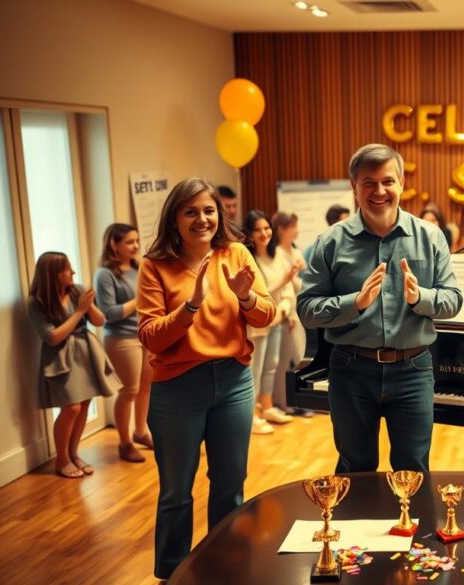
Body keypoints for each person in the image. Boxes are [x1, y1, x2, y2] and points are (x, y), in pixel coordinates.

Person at [138, 178, 275, 579]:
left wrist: (246, 297)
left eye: (209, 210)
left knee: (230, 484)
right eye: (191, 211)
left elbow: (265, 316)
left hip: (233, 382)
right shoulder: (155, 265)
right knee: (176, 492)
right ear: (175, 218)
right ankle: (171, 573)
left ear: (220, 214)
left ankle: (225, 567)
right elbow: (151, 337)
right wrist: (191, 305)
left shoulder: (236, 254)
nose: (202, 219)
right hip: (178, 387)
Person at [297, 144, 462, 473]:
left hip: (413, 371)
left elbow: (453, 299)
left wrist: (421, 298)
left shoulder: (430, 237)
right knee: (355, 469)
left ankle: (410, 527)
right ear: (353, 186)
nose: (379, 191)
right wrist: (354, 303)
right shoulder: (330, 243)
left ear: (401, 182)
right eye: (368, 182)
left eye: (388, 181)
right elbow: (307, 309)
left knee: (413, 470)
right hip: (350, 371)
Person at [29, 252, 122, 478]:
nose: (72, 272)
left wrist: (88, 306)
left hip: (85, 352)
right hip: (60, 357)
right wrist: (80, 310)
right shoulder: (37, 302)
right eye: (66, 269)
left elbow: (100, 321)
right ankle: (61, 460)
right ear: (52, 274)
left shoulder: (77, 290)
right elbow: (52, 337)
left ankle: (73, 454)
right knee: (70, 407)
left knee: (82, 406)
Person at [94, 223, 154, 463]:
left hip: (145, 334)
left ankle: (141, 432)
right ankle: (125, 442)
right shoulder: (105, 274)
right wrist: (140, 300)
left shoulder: (139, 267)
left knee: (146, 388)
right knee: (129, 390)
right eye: (129, 242)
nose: (136, 246)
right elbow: (109, 313)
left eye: (137, 240)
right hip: (121, 338)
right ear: (113, 244)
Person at [244, 210, 297, 434]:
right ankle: (252, 415)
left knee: (272, 365)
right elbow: (259, 292)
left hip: (277, 318)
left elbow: (288, 289)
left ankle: (267, 407)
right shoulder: (248, 259)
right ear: (249, 234)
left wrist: (287, 310)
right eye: (258, 230)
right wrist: (283, 280)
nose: (264, 233)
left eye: (266, 228)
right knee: (255, 369)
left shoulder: (276, 255)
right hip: (257, 323)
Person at [271, 211, 312, 418]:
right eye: (293, 226)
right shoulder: (278, 253)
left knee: (297, 357)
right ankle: (284, 402)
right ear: (282, 229)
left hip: (298, 310)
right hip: (288, 313)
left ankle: (296, 400)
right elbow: (288, 284)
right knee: (286, 360)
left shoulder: (294, 251)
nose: (297, 230)